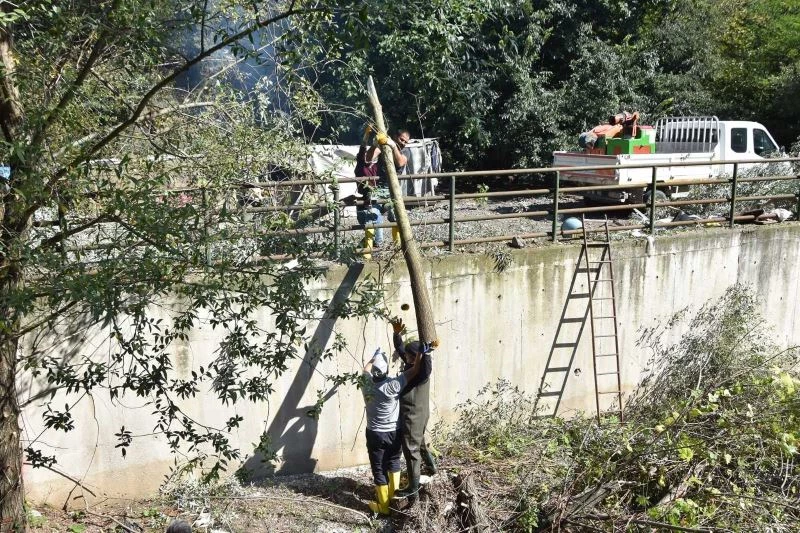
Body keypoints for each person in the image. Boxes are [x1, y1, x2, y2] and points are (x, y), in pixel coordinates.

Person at [361, 322, 424, 515]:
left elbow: (364, 370)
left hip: (375, 434)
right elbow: (415, 370)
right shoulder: (394, 385)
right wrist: (422, 353)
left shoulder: (365, 384)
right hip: (394, 433)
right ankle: (394, 500)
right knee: (394, 462)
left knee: (378, 468)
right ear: (387, 370)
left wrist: (373, 358)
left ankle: (383, 507)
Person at [390, 318, 436, 500]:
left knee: (411, 449)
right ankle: (432, 468)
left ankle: (413, 486)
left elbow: (426, 368)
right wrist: (397, 335)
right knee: (421, 442)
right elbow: (401, 350)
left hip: (413, 416)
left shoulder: (420, 372)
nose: (406, 358)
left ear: (417, 356)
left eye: (410, 356)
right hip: (422, 413)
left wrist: (427, 354)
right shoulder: (412, 365)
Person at [374, 129, 412, 245]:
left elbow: (400, 162)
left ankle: (398, 245)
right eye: (401, 139)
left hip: (394, 187)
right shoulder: (384, 147)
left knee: (396, 216)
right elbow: (368, 158)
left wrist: (394, 146)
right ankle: (377, 243)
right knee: (374, 215)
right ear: (395, 136)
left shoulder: (406, 151)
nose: (403, 143)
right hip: (378, 186)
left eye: (406, 142)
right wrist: (375, 145)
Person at [355, 125, 383, 256]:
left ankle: (362, 252)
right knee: (373, 228)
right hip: (364, 201)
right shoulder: (361, 164)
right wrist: (367, 134)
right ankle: (367, 254)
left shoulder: (377, 167)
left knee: (375, 229)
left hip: (374, 201)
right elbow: (363, 147)